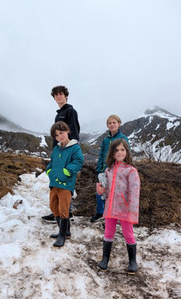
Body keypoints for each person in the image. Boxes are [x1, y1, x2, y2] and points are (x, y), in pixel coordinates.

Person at [96, 139, 140, 274]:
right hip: (110, 207)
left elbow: (135, 191)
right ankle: (105, 259)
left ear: (126, 152)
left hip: (125, 209)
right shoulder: (108, 170)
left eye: (122, 149)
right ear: (112, 153)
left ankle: (133, 261)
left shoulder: (131, 171)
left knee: (128, 234)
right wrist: (101, 190)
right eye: (116, 150)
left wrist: (132, 210)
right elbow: (107, 189)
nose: (119, 152)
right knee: (108, 233)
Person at [42, 85, 81, 223]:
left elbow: (74, 131)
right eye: (56, 95)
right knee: (58, 181)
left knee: (66, 181)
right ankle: (58, 212)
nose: (58, 96)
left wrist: (73, 147)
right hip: (59, 150)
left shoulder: (70, 111)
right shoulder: (59, 114)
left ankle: (67, 213)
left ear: (66, 96)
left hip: (67, 150)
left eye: (61, 94)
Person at [46, 121, 84, 247]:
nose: (59, 137)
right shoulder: (56, 148)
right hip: (54, 183)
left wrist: (67, 171)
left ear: (67, 131)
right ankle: (65, 231)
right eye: (56, 135)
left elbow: (79, 161)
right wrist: (49, 170)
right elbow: (51, 162)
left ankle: (62, 235)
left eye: (61, 133)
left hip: (66, 184)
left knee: (63, 209)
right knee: (53, 206)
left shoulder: (75, 147)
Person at [90, 115, 129, 222]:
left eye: (114, 122)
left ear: (119, 124)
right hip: (103, 170)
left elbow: (126, 154)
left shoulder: (123, 138)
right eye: (110, 123)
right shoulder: (106, 140)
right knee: (100, 191)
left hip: (116, 171)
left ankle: (112, 217)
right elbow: (102, 154)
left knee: (113, 194)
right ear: (107, 125)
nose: (112, 125)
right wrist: (99, 168)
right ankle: (100, 213)